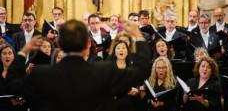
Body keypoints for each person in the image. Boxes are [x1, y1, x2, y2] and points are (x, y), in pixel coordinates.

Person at [17, 19, 150, 111]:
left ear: (59, 44)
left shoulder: (41, 73)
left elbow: (12, 83)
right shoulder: (104, 70)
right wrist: (138, 35)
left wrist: (24, 51)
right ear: (87, 44)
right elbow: (141, 70)